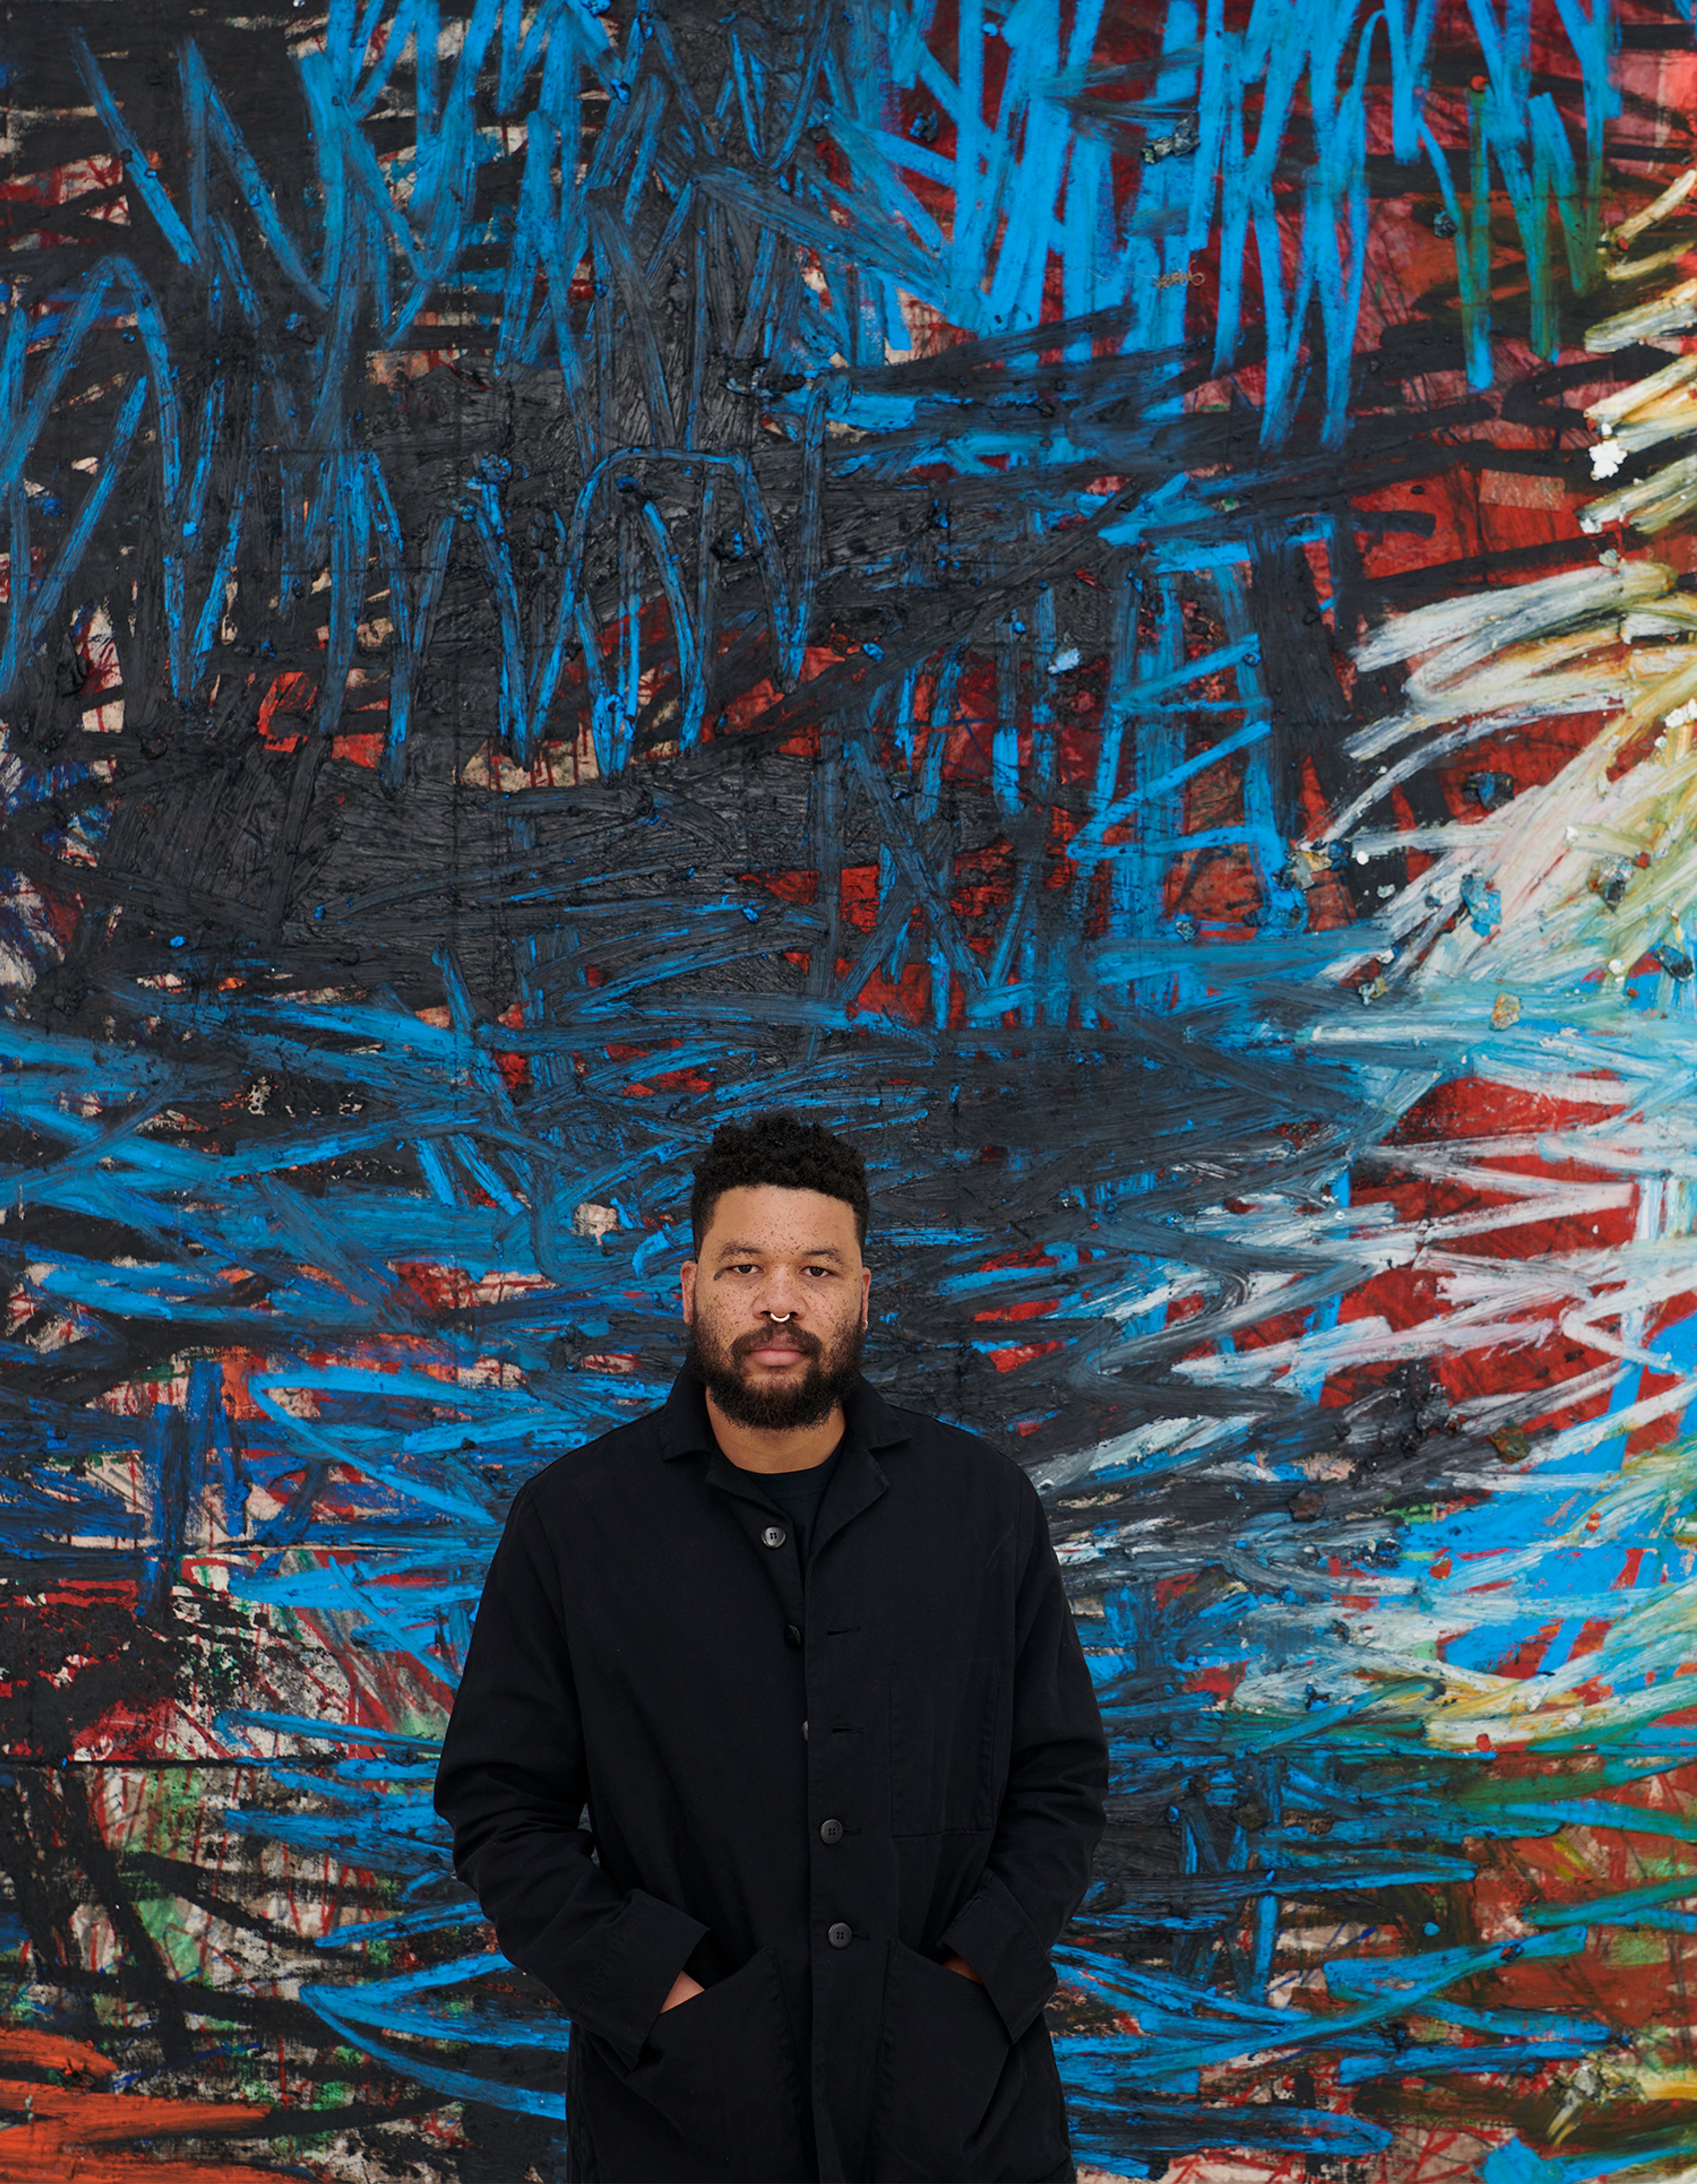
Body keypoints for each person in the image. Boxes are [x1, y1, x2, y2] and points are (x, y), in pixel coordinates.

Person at [433, 1112, 1110, 2182]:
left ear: (864, 1294)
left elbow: (1060, 1777)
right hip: (682, 2128)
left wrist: (971, 1981)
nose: (780, 1301)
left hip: (959, 2123)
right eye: (744, 1266)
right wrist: (661, 1997)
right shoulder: (575, 1525)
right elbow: (500, 1809)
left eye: (817, 1269)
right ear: (690, 1289)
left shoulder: (981, 1509)